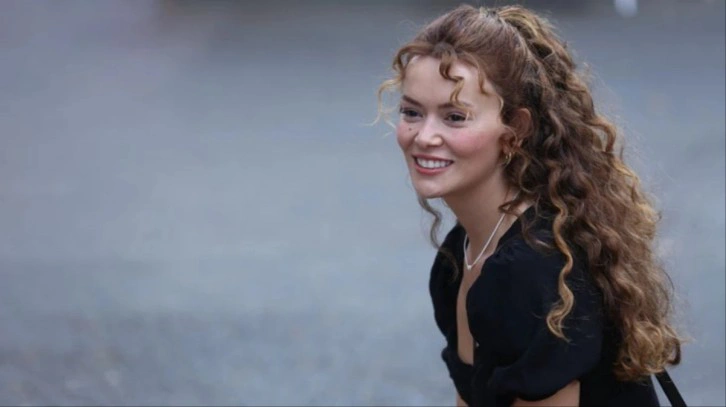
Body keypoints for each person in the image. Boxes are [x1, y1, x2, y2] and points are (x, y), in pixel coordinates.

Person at [377, 4, 683, 406]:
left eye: (454, 117)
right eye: (412, 112)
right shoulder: (463, 252)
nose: (424, 136)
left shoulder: (531, 272)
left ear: (515, 129)